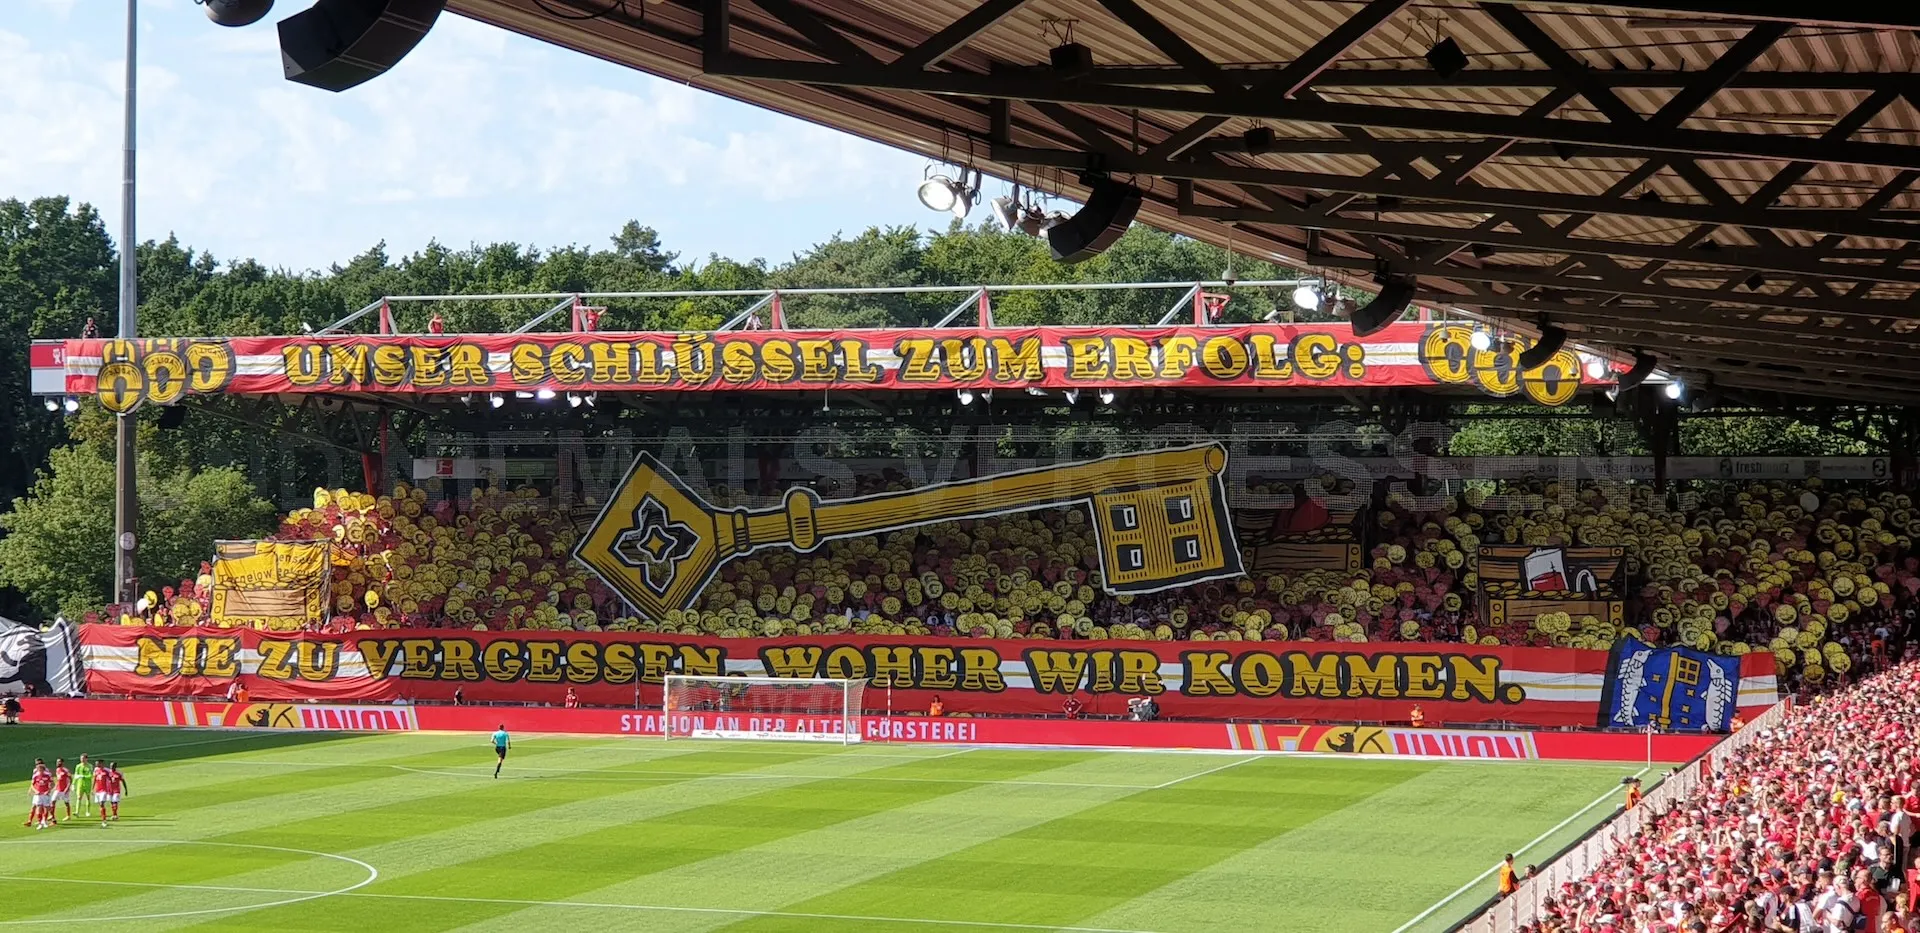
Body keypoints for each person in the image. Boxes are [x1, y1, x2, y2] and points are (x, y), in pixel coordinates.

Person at [26, 761, 51, 830]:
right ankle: (40, 823)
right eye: (38, 768)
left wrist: (48, 791)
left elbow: (52, 783)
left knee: (46, 808)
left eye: (40, 768)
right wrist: (35, 791)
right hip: (38, 794)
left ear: (43, 768)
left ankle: (44, 821)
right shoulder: (35, 775)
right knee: (39, 808)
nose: (39, 769)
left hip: (45, 794)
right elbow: (32, 784)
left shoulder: (47, 775)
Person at [51, 758, 72, 822]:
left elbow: (71, 779)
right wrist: (55, 786)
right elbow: (58, 779)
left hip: (64, 790)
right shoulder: (57, 770)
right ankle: (52, 816)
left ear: (62, 762)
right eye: (57, 762)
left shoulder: (65, 770)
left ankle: (68, 816)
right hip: (58, 789)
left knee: (66, 802)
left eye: (59, 762)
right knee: (52, 801)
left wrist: (67, 788)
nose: (57, 763)